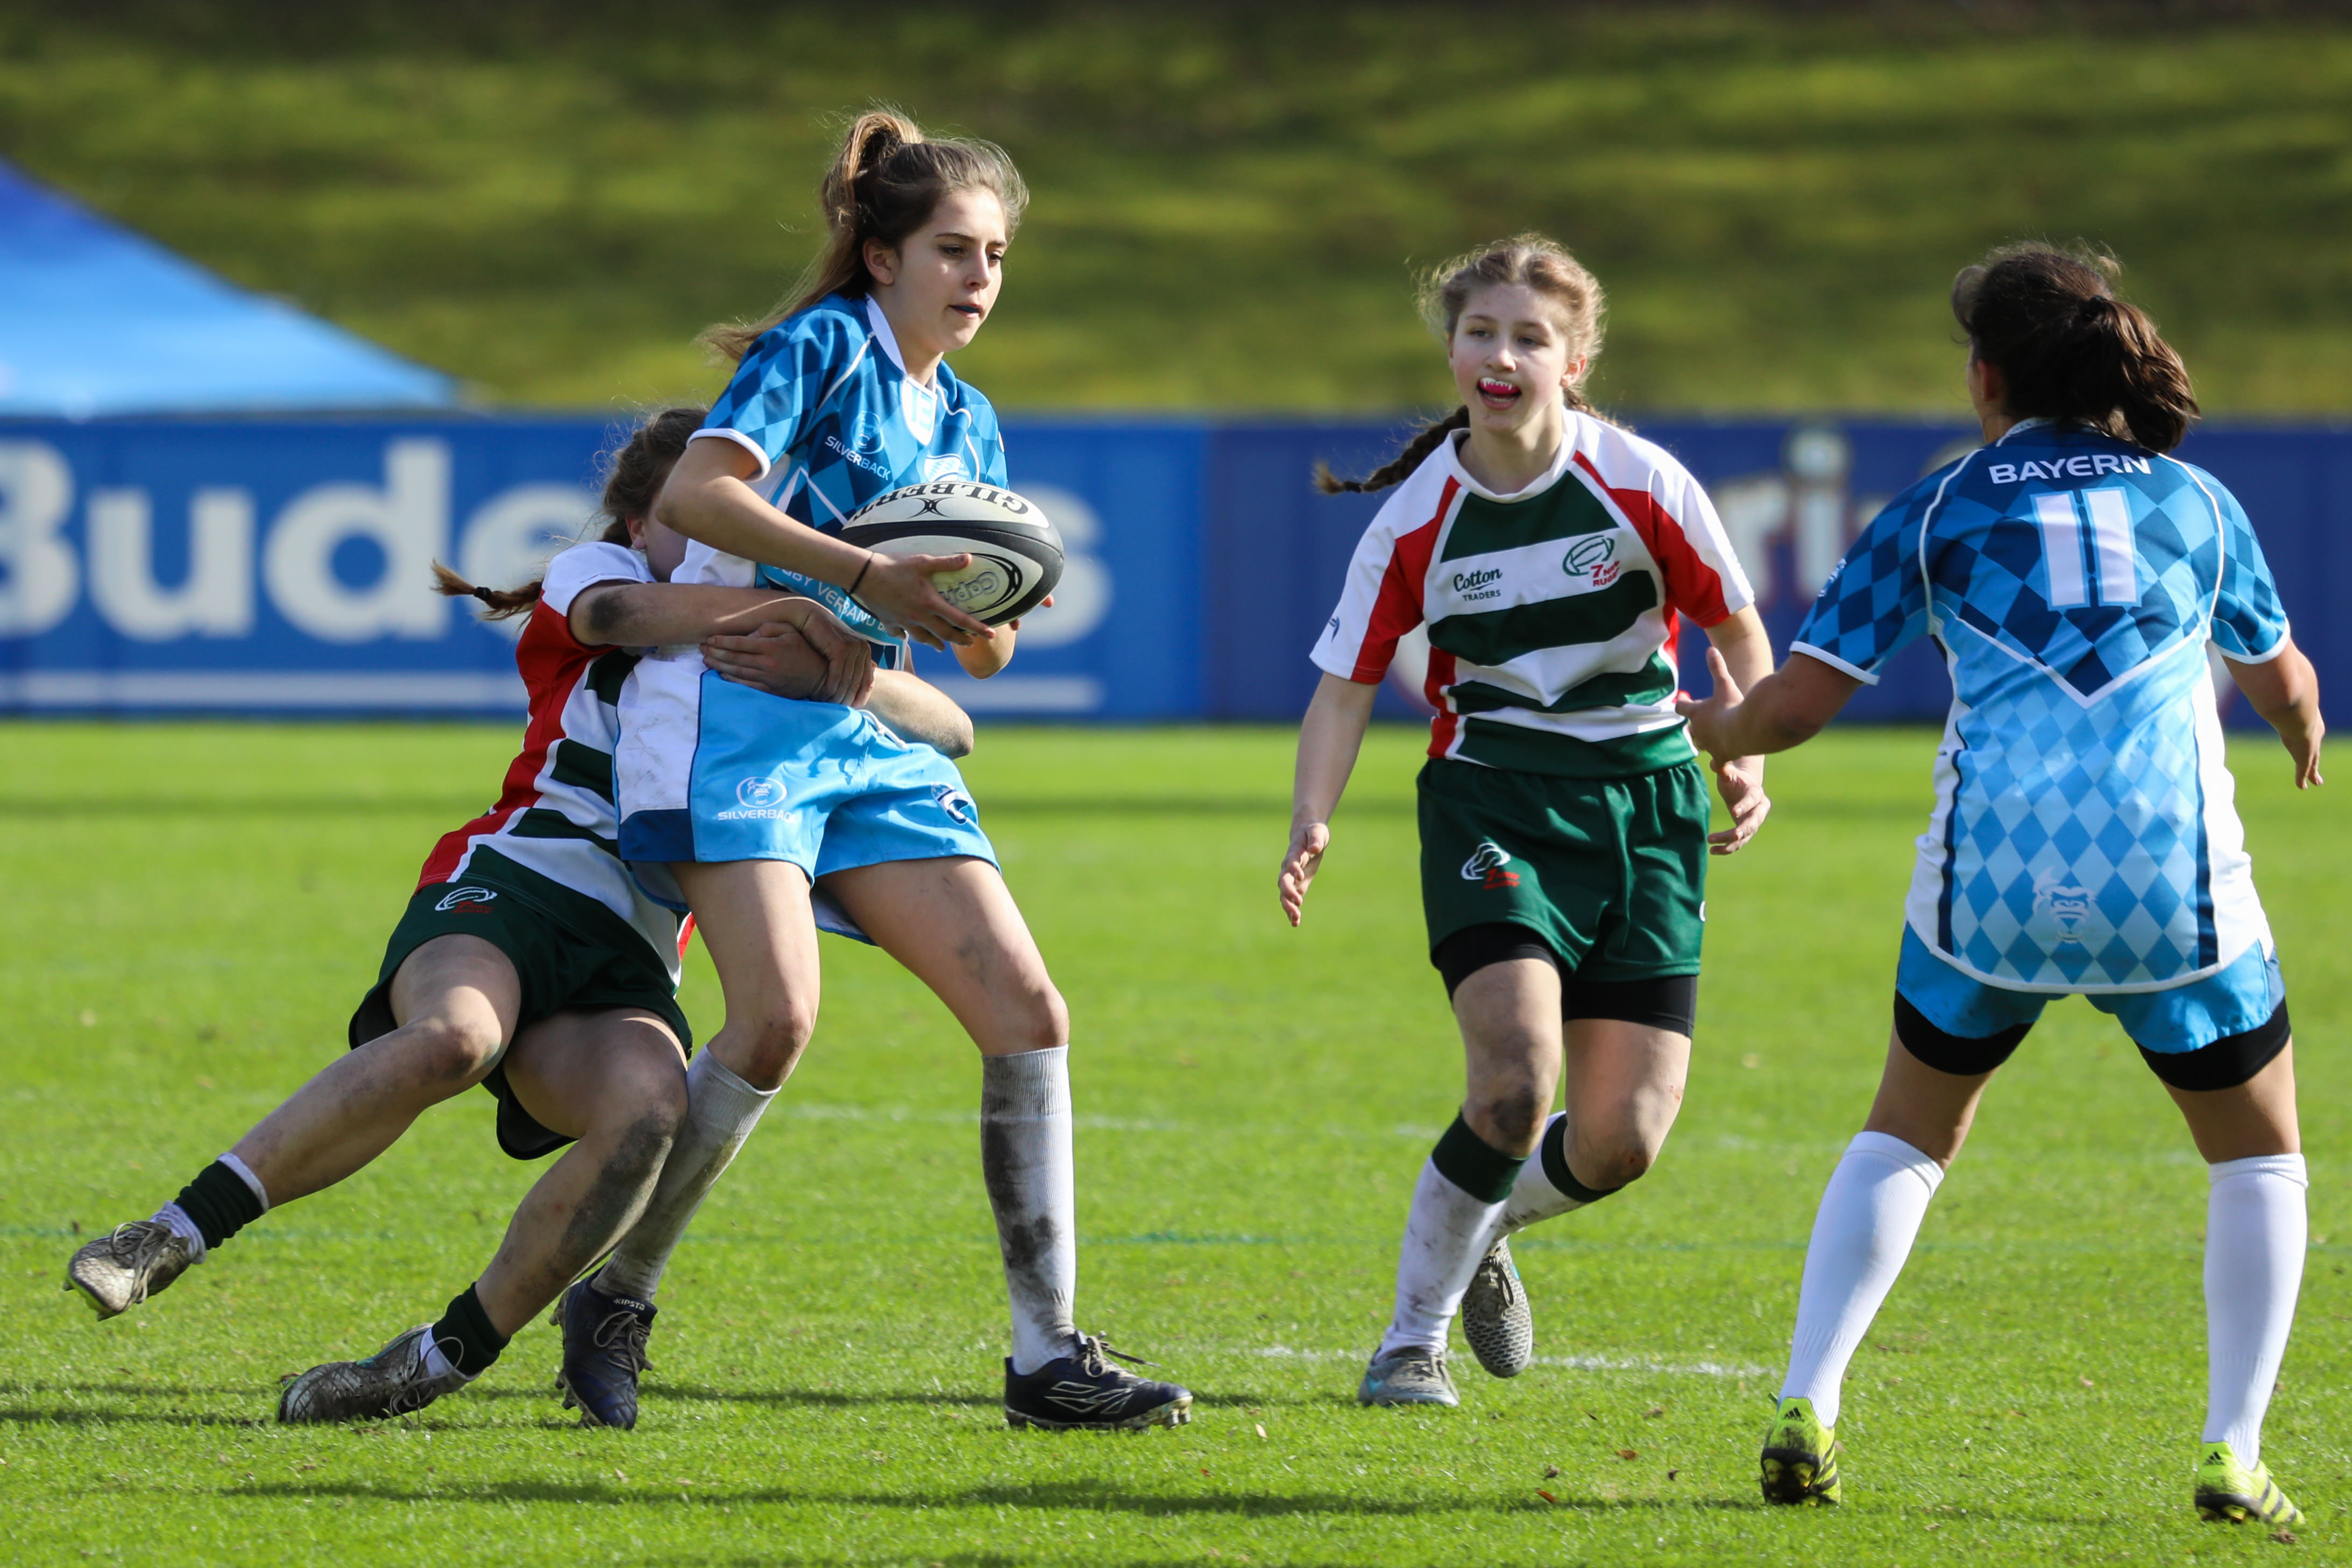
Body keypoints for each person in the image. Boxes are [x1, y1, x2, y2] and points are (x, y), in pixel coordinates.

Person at [63, 408, 961, 1430]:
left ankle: (435, 1360)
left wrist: (848, 668)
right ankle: (167, 1235)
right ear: (642, 520)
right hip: (517, 881)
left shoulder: (790, 641)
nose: (725, 546)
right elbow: (620, 614)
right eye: (702, 523)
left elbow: (954, 724)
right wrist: (783, 609)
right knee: (454, 1038)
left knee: (647, 1116)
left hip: (631, 952)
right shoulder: (604, 571)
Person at [1678, 245, 2324, 1526]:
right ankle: (2231, 1453)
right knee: (2258, 1159)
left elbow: (1792, 711)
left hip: (1991, 887)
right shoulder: (2194, 502)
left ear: (1983, 376)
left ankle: (1806, 1399)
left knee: (1905, 1134)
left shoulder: (1936, 509)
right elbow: (2283, 680)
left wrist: (1708, 729)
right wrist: (2298, 732)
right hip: (2168, 888)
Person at [582, 109, 1192, 1432]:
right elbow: (695, 498)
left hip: (857, 731)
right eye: (953, 251)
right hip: (737, 712)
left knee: (1027, 1009)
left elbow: (987, 655)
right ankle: (618, 1291)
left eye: (995, 256)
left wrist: (977, 606)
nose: (978, 277)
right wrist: (868, 574)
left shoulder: (967, 416)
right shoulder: (818, 350)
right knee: (773, 1024)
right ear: (881, 257)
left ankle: (1046, 1358)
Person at [1279, 235, 1774, 1409]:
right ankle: (1410, 1342)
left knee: (1620, 1141)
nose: (1500, 357)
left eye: (1528, 338)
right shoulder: (1416, 519)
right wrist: (1310, 818)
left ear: (1574, 360)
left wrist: (1746, 750)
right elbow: (1344, 688)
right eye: (1479, 333)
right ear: (1451, 350)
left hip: (1646, 809)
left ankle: (1487, 1217)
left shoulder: (1642, 482)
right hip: (1490, 801)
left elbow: (1736, 628)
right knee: (1513, 1082)